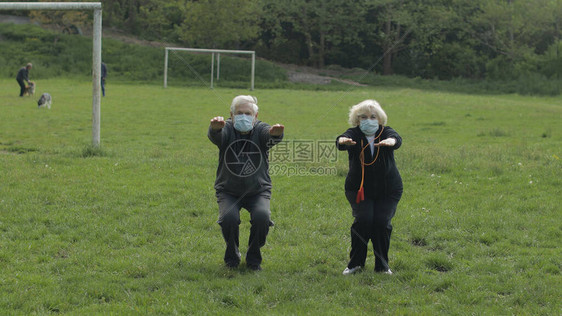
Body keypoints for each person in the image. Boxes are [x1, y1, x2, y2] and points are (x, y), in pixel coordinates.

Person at [208, 95, 284, 271]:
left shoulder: (260, 129)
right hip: (228, 190)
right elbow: (218, 136)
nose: (244, 117)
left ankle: (253, 257)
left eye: (248, 113)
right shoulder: (226, 128)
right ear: (232, 115)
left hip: (258, 190)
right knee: (229, 218)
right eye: (239, 113)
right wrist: (215, 130)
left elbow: (268, 136)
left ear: (255, 116)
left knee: (262, 217)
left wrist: (276, 134)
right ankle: (232, 255)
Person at [336, 99, 403, 275]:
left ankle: (382, 266)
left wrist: (391, 141)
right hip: (358, 189)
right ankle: (355, 264)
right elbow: (341, 140)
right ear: (358, 120)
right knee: (364, 220)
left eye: (373, 117)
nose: (369, 120)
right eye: (364, 117)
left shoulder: (385, 132)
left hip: (389, 190)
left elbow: (396, 138)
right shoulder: (354, 134)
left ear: (379, 119)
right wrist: (343, 141)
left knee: (381, 222)